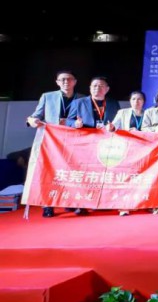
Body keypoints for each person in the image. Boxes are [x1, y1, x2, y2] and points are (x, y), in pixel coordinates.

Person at [26, 70, 85, 217]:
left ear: (75, 82)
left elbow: (87, 119)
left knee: (72, 172)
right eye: (62, 79)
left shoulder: (83, 98)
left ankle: (70, 202)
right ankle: (48, 204)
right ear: (57, 82)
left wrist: (77, 124)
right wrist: (32, 121)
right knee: (49, 172)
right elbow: (35, 116)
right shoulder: (47, 96)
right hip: (52, 142)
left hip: (74, 142)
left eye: (69, 79)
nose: (66, 82)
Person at [66, 76, 121, 216]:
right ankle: (80, 203)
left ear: (107, 89)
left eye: (101, 86)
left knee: (102, 174)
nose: (98, 88)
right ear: (90, 88)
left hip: (106, 144)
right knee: (84, 175)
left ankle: (101, 202)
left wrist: (114, 127)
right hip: (84, 144)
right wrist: (75, 124)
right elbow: (68, 121)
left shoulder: (114, 103)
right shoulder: (78, 102)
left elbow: (118, 123)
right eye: (95, 86)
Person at [111, 91, 148, 216]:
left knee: (141, 178)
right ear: (130, 101)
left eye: (139, 99)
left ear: (144, 101)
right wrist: (111, 127)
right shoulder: (122, 113)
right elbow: (114, 127)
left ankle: (141, 202)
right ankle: (124, 205)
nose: (136, 102)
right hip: (127, 150)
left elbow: (151, 131)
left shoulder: (148, 113)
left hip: (143, 151)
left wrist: (140, 132)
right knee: (126, 177)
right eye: (133, 99)